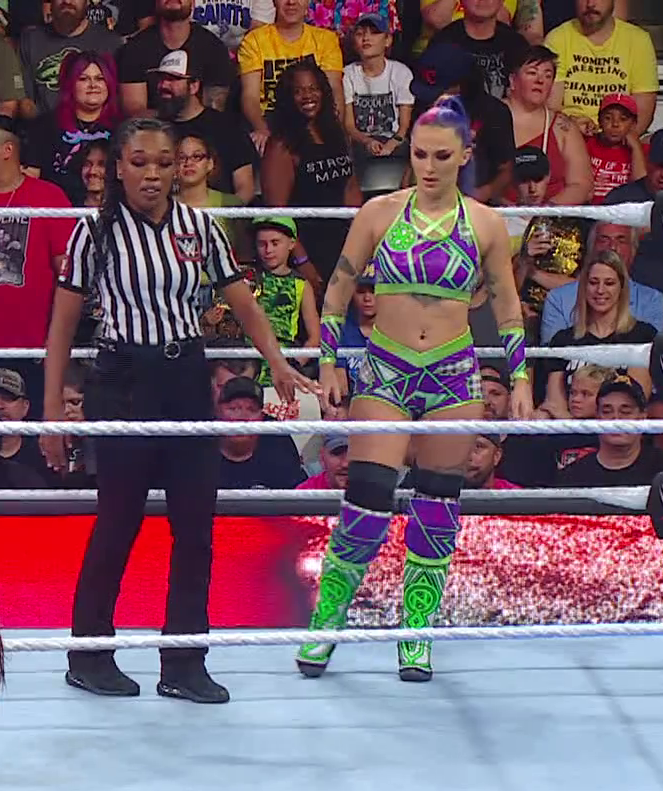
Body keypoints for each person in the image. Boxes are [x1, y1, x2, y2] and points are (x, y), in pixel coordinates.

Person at [40, 116, 310, 706]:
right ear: (118, 168)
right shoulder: (94, 232)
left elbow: (243, 301)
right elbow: (60, 326)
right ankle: (89, 654)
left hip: (186, 375)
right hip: (122, 381)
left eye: (164, 162)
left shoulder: (201, 227)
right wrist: (52, 412)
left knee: (195, 527)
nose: (153, 174)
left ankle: (184, 662)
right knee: (118, 522)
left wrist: (280, 363)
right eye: (139, 162)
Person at [297, 96, 533, 683]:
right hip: (386, 368)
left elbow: (508, 307)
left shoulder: (486, 223)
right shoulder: (378, 213)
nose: (428, 166)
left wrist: (521, 376)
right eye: (420, 154)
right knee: (366, 500)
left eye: (441, 156)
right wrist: (330, 361)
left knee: (437, 505)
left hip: (453, 373)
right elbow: (336, 291)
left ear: (465, 156)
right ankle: (327, 621)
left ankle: (416, 631)